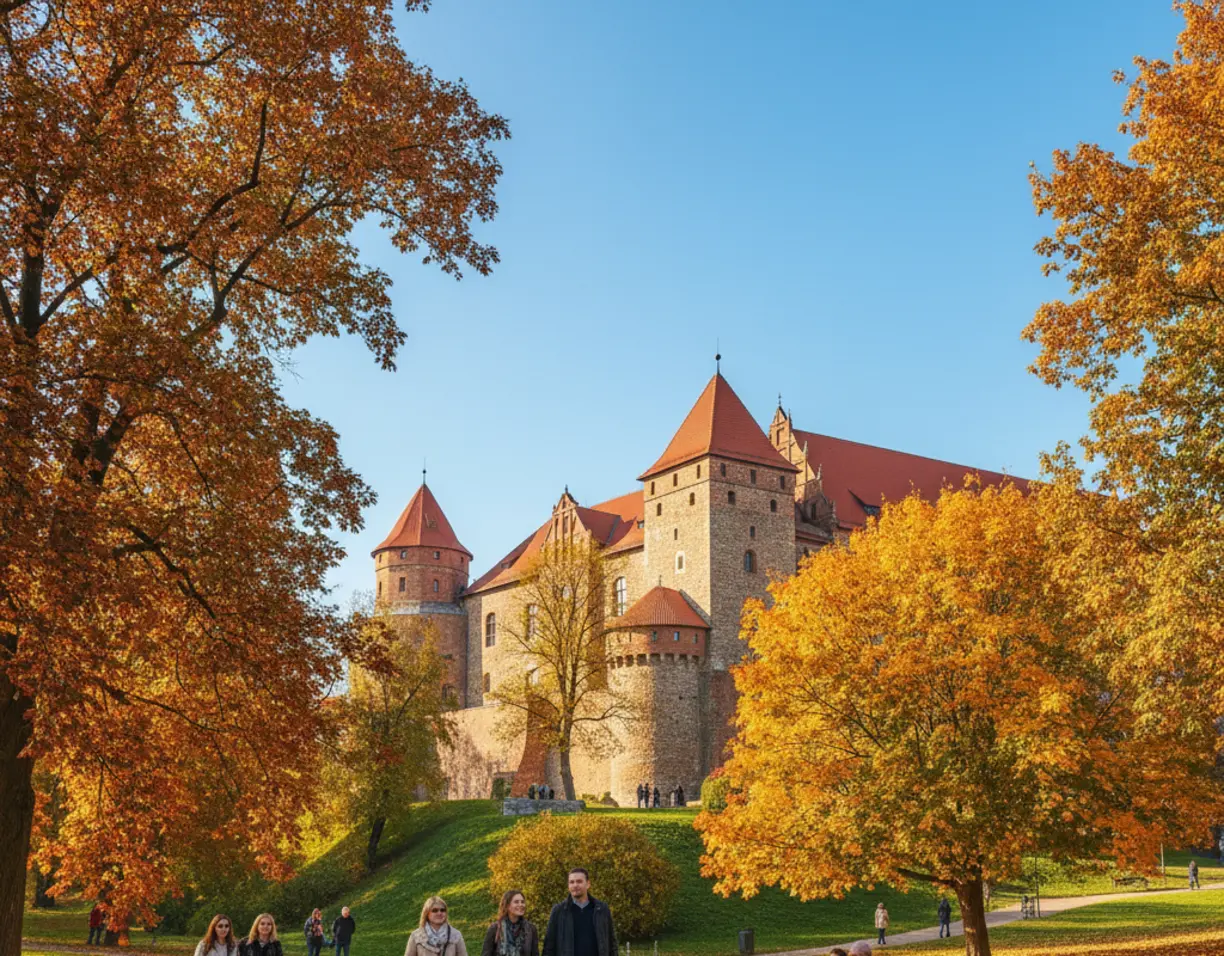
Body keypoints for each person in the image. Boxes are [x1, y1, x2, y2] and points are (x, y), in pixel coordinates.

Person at [542, 867, 617, 956]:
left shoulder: (602, 909)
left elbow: (611, 943)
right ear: (568, 886)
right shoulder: (559, 911)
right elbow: (549, 946)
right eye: (571, 882)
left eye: (579, 881)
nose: (575, 885)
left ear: (588, 884)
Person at [481, 889, 540, 956]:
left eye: (522, 902)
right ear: (507, 906)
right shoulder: (495, 928)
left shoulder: (531, 929)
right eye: (516, 902)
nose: (521, 905)